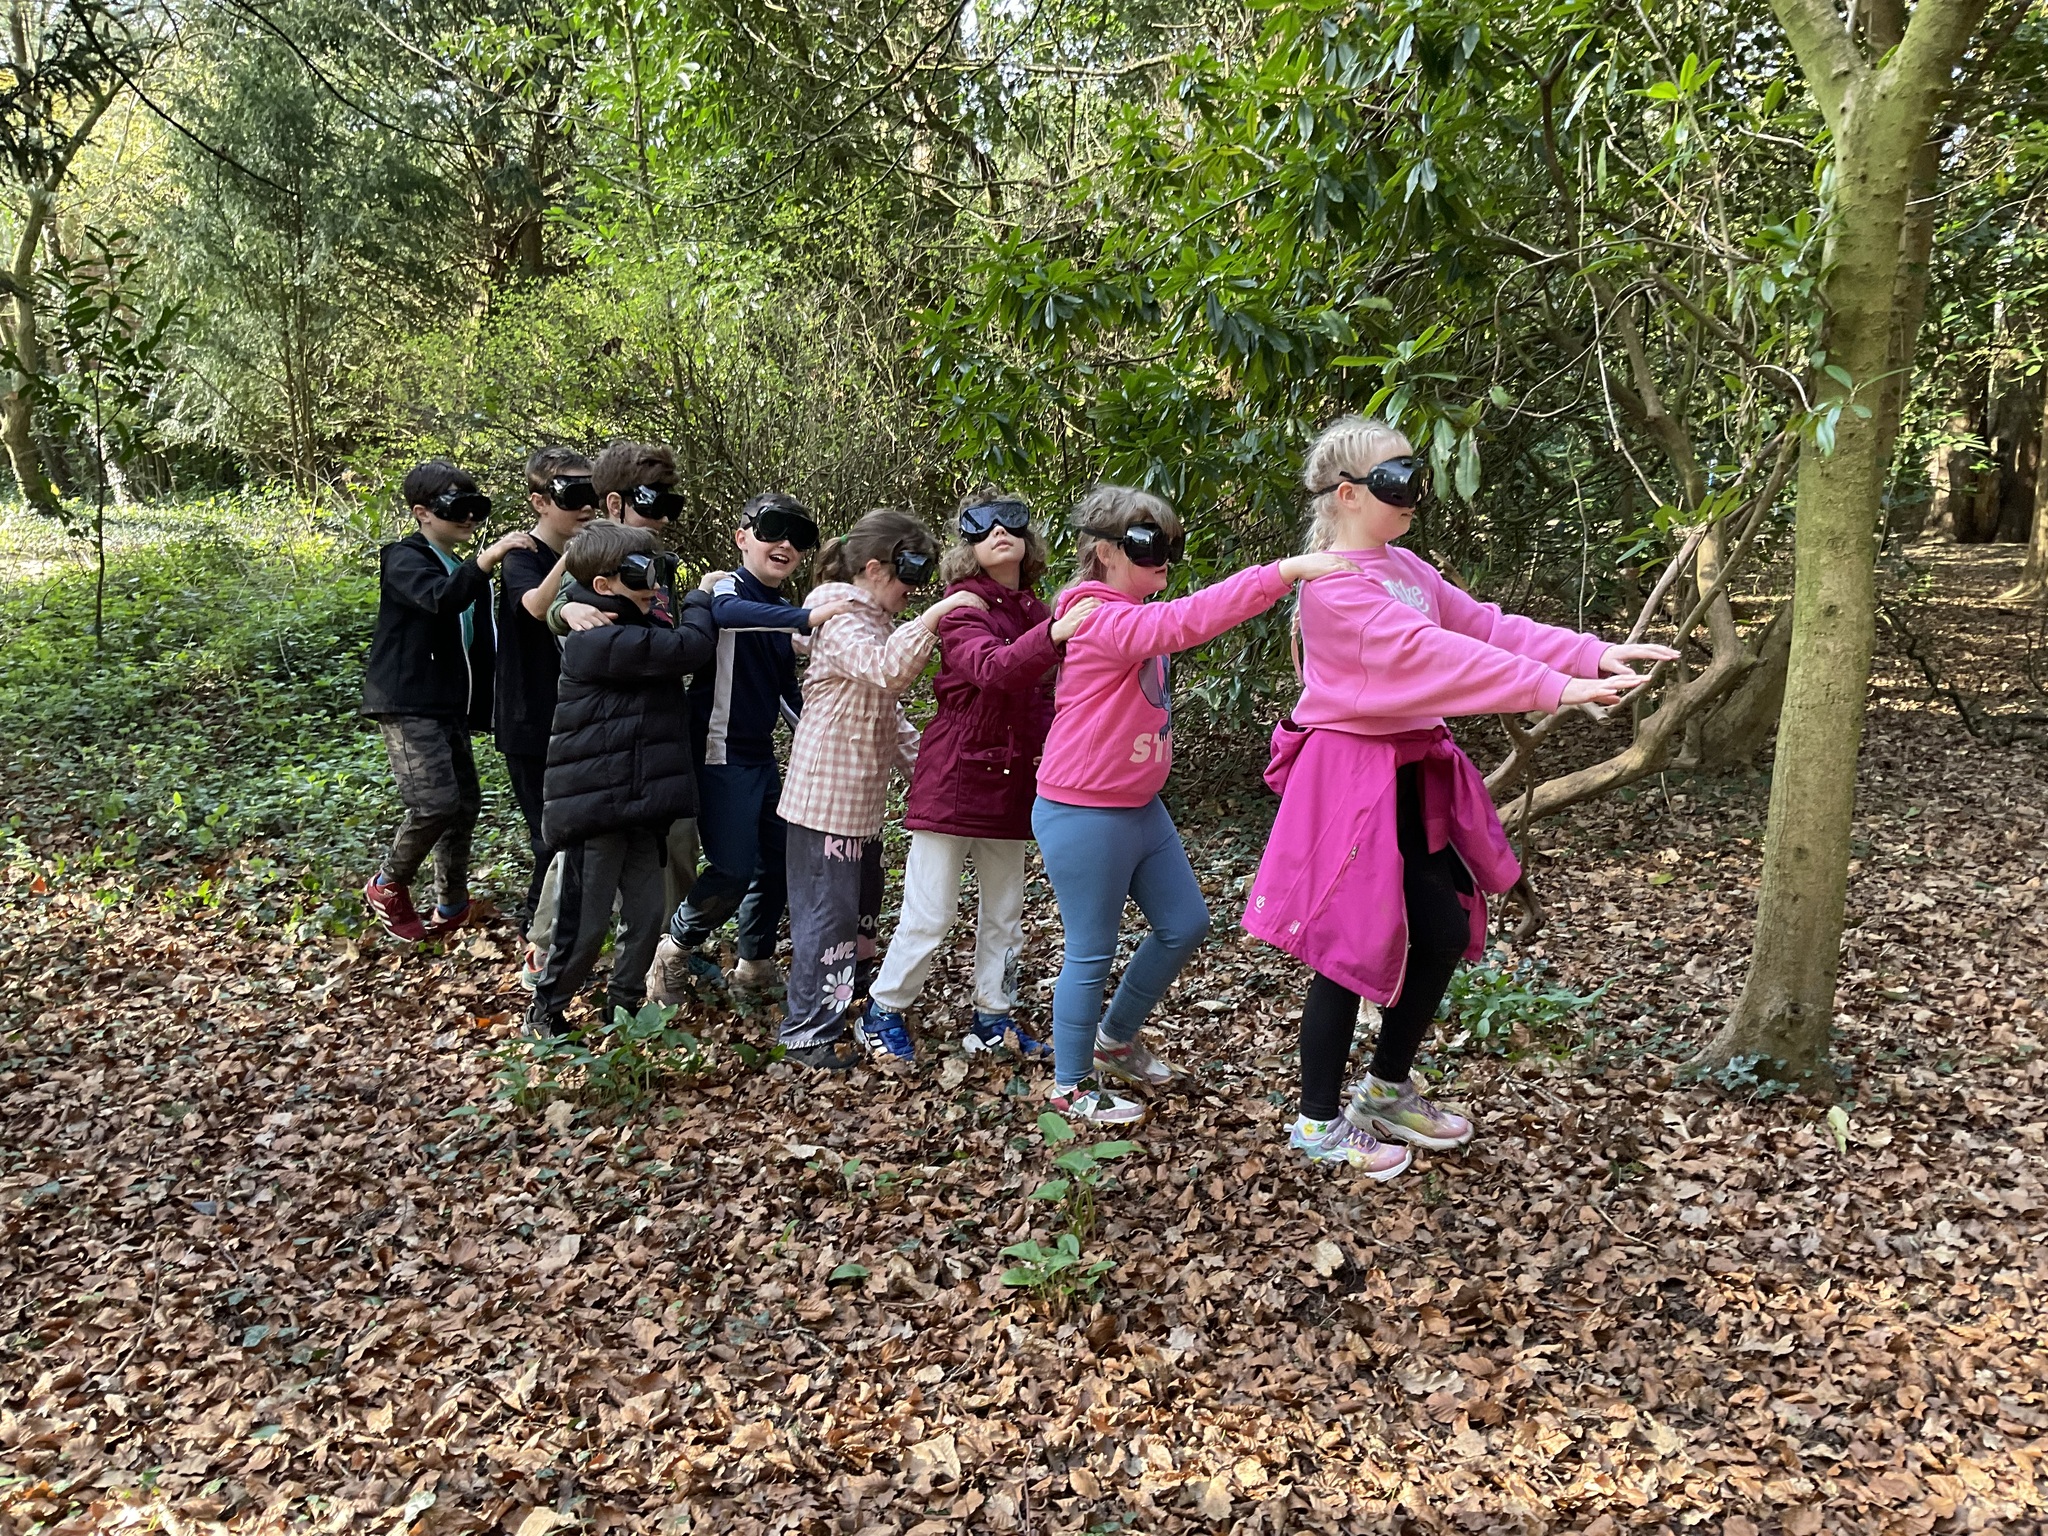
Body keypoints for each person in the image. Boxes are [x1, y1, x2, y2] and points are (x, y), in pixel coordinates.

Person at [1244, 415, 1673, 1175]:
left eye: (1415, 472)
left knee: (1441, 930)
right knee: (1347, 947)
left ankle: (1384, 1090)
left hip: (1412, 772)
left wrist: (1591, 653)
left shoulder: (1408, 568)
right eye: (1394, 478)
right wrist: (1553, 688)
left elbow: (1485, 627)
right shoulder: (1333, 587)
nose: (1413, 490)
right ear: (1347, 494)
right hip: (1352, 780)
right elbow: (1430, 654)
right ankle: (1316, 1122)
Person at [1032, 485, 1353, 1124]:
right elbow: (1188, 620)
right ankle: (1070, 1085)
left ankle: (1115, 1039)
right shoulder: (1098, 619)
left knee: (1185, 924)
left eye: (1169, 546)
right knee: (1090, 951)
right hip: (1083, 811)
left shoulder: (1131, 613)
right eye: (1146, 545)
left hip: (1139, 806)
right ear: (1104, 551)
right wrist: (1283, 572)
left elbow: (1174, 624)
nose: (1163, 559)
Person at [858, 488, 1098, 1062]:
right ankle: (883, 1009)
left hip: (1015, 779)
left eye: (1011, 522)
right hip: (955, 776)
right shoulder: (963, 607)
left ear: (1028, 539)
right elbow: (992, 669)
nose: (999, 532)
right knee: (931, 910)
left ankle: (993, 1016)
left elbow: (1047, 697)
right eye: (983, 527)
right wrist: (1056, 635)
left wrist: (1054, 750)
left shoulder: (1036, 611)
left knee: (1006, 912)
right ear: (967, 545)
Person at [775, 509, 988, 1071]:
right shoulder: (842, 615)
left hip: (860, 805)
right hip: (824, 802)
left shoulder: (874, 622)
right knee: (827, 921)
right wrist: (937, 616)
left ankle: (841, 1007)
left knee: (857, 917)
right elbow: (888, 670)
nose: (913, 592)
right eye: (907, 577)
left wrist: (938, 771)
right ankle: (806, 1034)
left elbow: (889, 718)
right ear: (873, 569)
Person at [647, 492, 859, 1000]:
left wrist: (821, 736)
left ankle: (754, 965)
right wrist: (809, 617)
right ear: (742, 538)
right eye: (772, 530)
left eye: (798, 538)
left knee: (778, 859)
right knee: (732, 869)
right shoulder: (726, 590)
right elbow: (727, 615)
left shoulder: (779, 611)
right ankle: (673, 948)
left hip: (759, 756)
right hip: (717, 752)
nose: (785, 544)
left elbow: (784, 690)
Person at [525, 520, 718, 1037]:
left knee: (647, 914)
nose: (651, 582)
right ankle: (546, 1013)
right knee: (584, 924)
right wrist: (701, 596)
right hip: (597, 807)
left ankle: (624, 1007)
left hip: (642, 802)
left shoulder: (638, 622)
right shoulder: (598, 638)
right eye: (638, 574)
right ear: (603, 584)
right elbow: (691, 647)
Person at [362, 460, 533, 942]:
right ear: (422, 512)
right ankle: (387, 883)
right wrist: (488, 558)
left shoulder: (460, 568)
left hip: (449, 704)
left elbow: (481, 642)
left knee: (464, 805)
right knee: (434, 804)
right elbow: (440, 600)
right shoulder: (404, 558)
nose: (469, 518)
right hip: (408, 701)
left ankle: (452, 904)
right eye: (457, 508)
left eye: (476, 507)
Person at [495, 446, 597, 931]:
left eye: (591, 493)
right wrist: (574, 557)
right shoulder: (522, 556)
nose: (585, 506)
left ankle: (561, 932)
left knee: (579, 832)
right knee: (548, 837)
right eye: (571, 495)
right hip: (530, 717)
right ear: (540, 501)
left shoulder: (593, 554)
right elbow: (536, 607)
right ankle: (538, 938)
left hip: (579, 716)